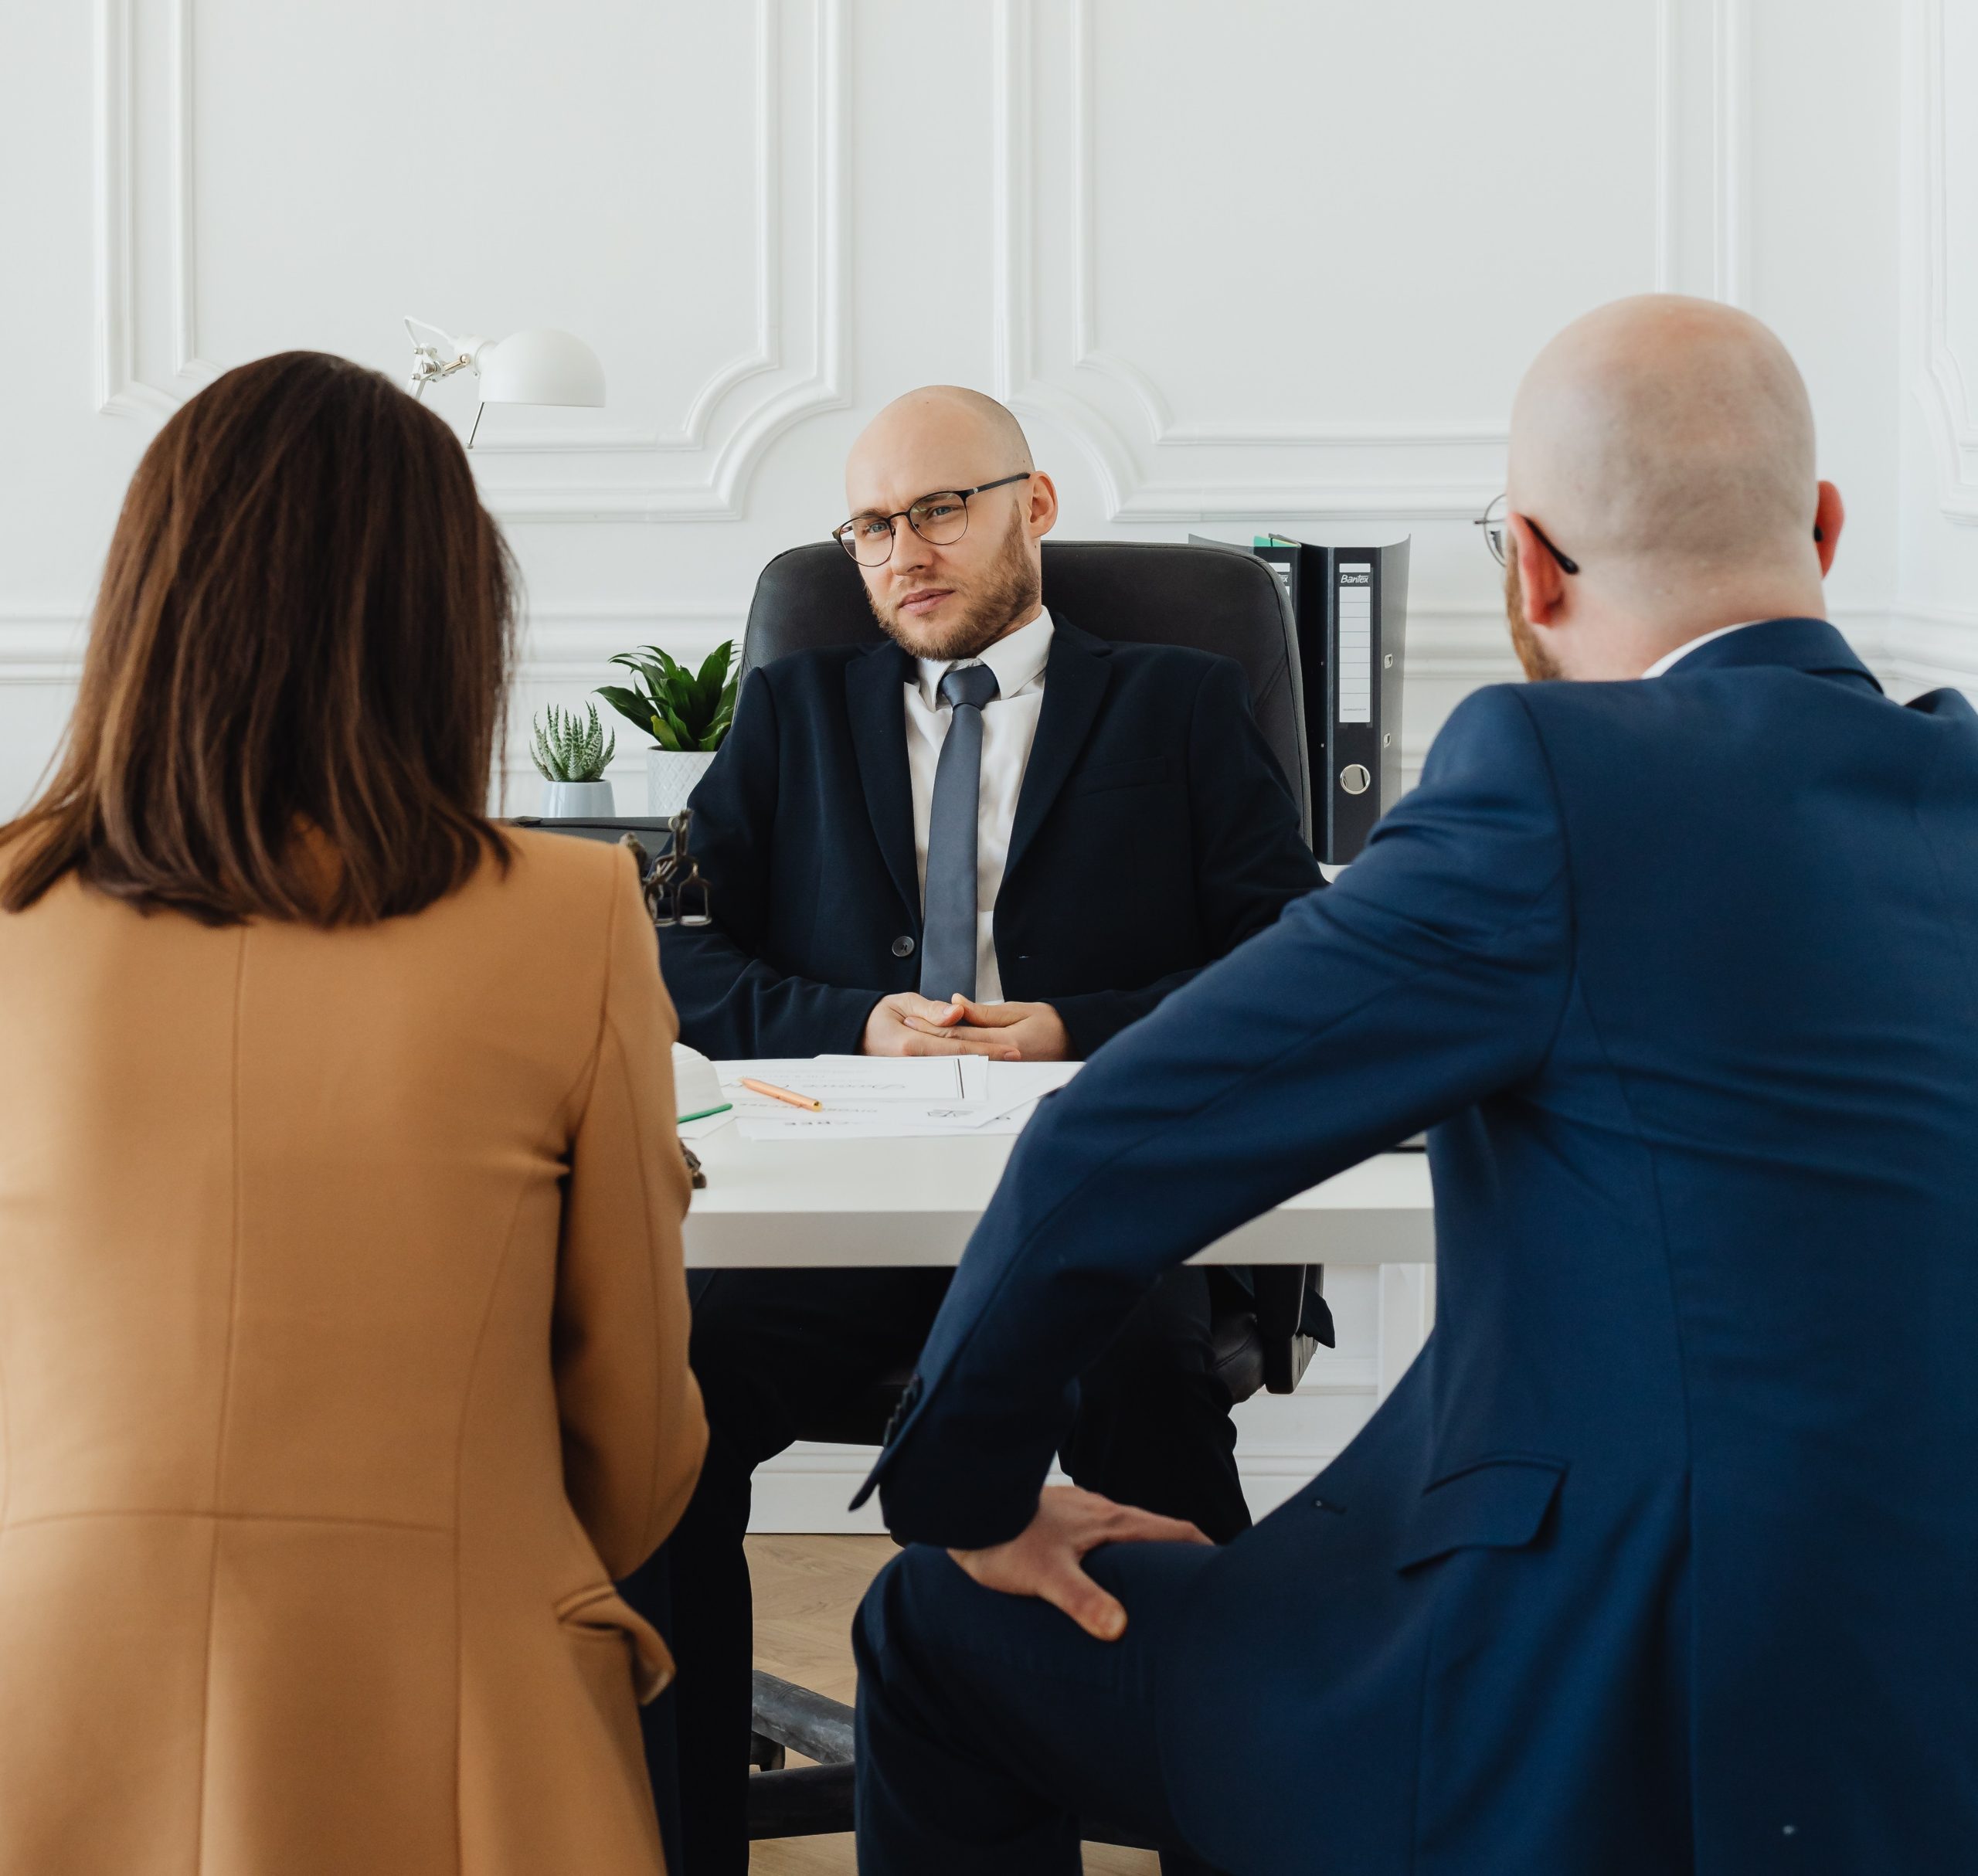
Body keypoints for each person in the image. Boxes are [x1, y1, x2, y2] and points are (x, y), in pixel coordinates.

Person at [848, 297, 1978, 1875]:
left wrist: (964, 1493)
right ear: (1827, 529)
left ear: (1521, 562)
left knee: (935, 1619)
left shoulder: (1554, 778)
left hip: (1595, 1695)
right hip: (1923, 1703)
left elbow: (1112, 1141)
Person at [0, 352, 706, 1876]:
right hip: (458, 1708)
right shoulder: (573, 912)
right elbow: (637, 1442)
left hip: (40, 1697)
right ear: (445, 624)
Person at [637, 385, 1325, 1868]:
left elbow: (1289, 953)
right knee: (662, 1397)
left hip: (1086, 1219)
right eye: (873, 527)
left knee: (1149, 1395)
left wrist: (1077, 1019)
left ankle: (1241, 1811)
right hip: (844, 1216)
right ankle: (682, 1841)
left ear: (1035, 506)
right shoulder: (796, 712)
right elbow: (671, 945)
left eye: (941, 509)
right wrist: (851, 1022)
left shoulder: (1175, 703)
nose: (904, 552)